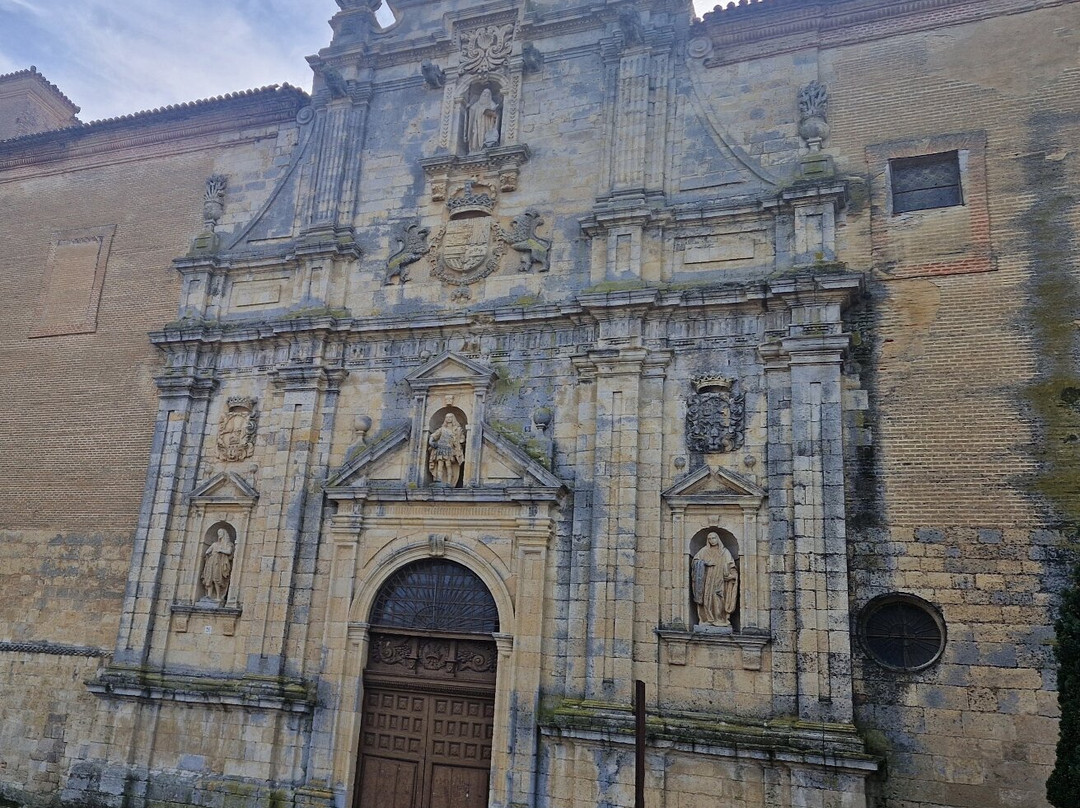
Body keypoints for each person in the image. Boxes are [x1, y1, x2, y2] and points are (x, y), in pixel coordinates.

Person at [691, 531, 738, 628]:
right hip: (707, 580)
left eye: (714, 538)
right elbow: (695, 561)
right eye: (710, 539)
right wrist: (705, 563)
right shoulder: (704, 551)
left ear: (718, 539)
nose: (712, 540)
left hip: (720, 580)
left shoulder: (724, 552)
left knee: (718, 599)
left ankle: (720, 619)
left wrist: (732, 575)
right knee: (707, 599)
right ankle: (708, 619)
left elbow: (732, 566)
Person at [428, 413, 466, 486]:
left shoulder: (457, 429)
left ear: (453, 418)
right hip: (440, 449)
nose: (448, 419)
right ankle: (439, 479)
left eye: (450, 417)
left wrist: (460, 441)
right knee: (440, 465)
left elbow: (462, 439)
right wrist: (431, 441)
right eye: (447, 417)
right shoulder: (442, 429)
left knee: (448, 465)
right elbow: (434, 435)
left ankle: (449, 482)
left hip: (449, 449)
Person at [201, 528, 234, 603]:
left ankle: (218, 596)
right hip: (211, 562)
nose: (219, 534)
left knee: (217, 578)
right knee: (209, 578)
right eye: (218, 532)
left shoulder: (228, 544)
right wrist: (208, 554)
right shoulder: (214, 544)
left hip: (220, 563)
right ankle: (209, 595)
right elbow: (207, 551)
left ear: (224, 534)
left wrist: (220, 550)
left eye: (220, 532)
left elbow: (229, 552)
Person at [466, 89, 500, 154]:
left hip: (487, 123)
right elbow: (471, 111)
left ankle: (484, 147)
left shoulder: (491, 103)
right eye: (484, 92)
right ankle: (475, 149)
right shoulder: (476, 104)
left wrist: (492, 112)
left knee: (484, 134)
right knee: (476, 134)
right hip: (476, 124)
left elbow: (495, 113)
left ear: (490, 96)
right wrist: (468, 109)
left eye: (487, 93)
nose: (485, 94)